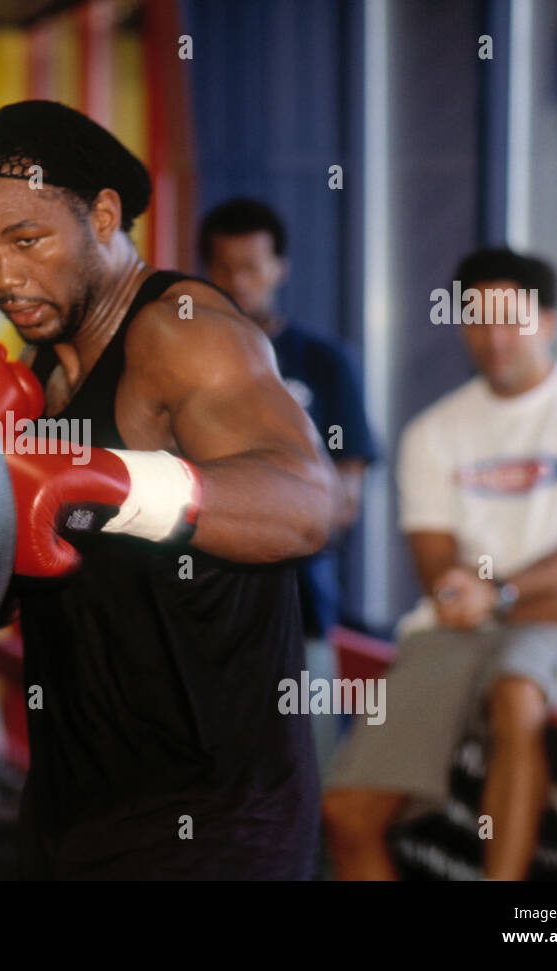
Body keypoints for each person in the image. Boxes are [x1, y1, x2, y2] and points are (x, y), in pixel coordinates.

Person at [0, 99, 338, 878]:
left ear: (101, 215)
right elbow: (15, 588)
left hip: (215, 817)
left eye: (27, 241)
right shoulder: (34, 379)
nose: (3, 275)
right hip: (72, 804)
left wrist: (114, 483)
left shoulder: (180, 331)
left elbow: (306, 500)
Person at [322, 247, 557, 880]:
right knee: (346, 812)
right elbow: (437, 574)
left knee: (516, 697)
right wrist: (510, 600)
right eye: (477, 318)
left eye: (512, 318)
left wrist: (500, 594)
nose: (494, 336)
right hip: (461, 630)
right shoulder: (433, 430)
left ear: (550, 321)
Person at [199, 198, 379, 762]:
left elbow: (345, 501)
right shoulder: (183, 362)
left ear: (281, 267)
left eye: (252, 267)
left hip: (301, 604)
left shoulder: (323, 362)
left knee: (308, 771)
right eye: (224, 268)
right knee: (211, 777)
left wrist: (250, 514)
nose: (238, 282)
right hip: (199, 607)